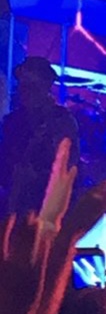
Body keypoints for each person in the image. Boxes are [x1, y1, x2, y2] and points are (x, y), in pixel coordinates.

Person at [0, 56, 79, 215]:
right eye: (23, 86)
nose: (25, 92)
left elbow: (68, 165)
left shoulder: (61, 120)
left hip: (47, 206)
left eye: (32, 86)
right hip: (14, 205)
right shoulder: (12, 121)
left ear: (46, 86)